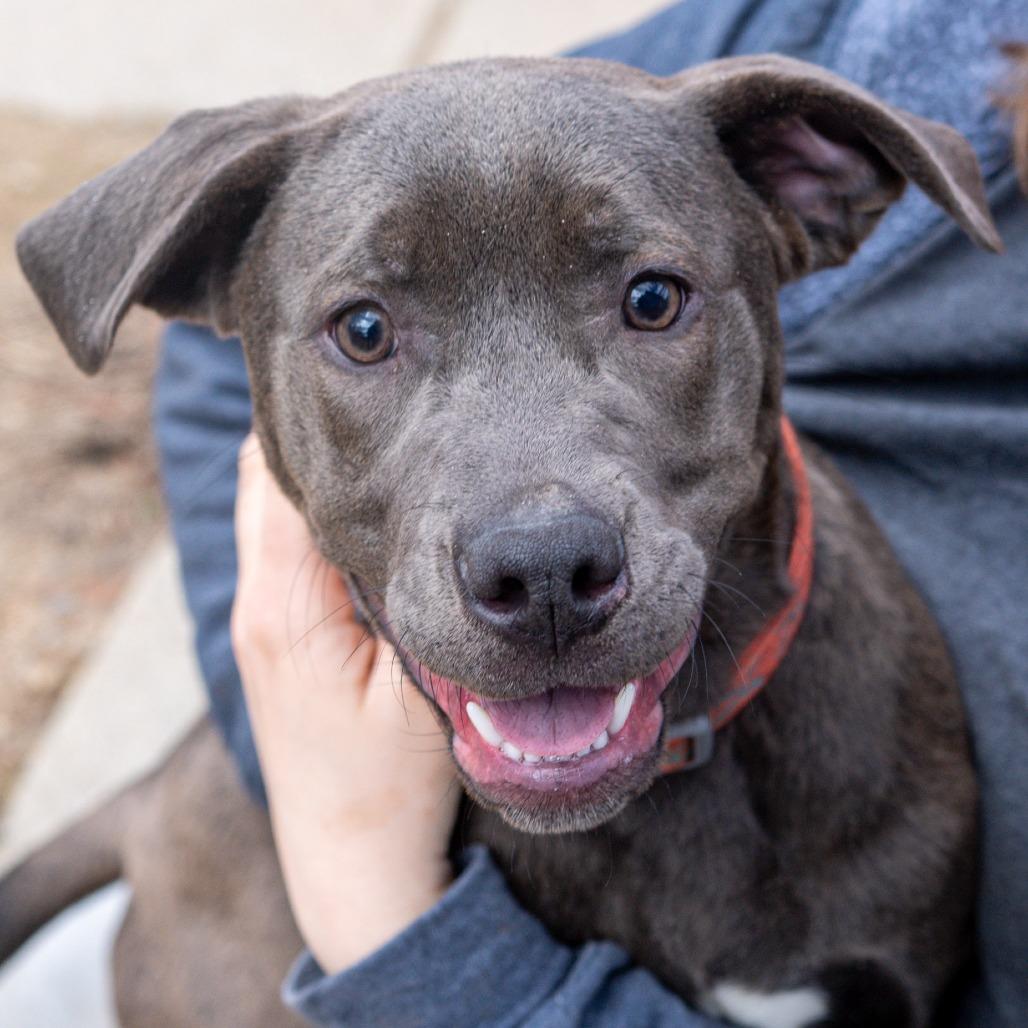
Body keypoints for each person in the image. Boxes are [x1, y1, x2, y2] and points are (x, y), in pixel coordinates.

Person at [155, 0, 1027, 1024]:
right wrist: (312, 770)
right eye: (363, 327)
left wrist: (391, 919)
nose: (536, 544)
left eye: (650, 300)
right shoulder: (906, 34)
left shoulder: (906, 795)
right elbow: (224, 366)